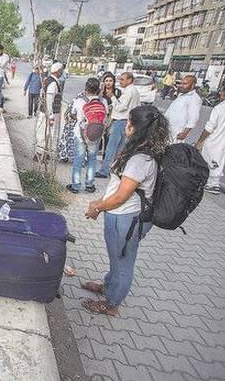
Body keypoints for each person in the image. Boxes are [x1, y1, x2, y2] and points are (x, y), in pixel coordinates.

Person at [81, 105, 171, 316]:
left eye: (129, 122)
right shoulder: (140, 150)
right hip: (121, 216)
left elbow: (122, 196)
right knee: (116, 257)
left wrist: (98, 207)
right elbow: (118, 188)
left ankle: (111, 304)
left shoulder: (141, 159)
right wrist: (101, 203)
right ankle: (108, 287)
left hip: (127, 220)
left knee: (123, 262)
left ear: (135, 127)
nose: (125, 126)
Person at [195, 84, 225, 194]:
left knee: (210, 160)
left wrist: (200, 140)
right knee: (220, 159)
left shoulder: (220, 108)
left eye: (221, 92)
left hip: (214, 139)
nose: (220, 93)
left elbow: (209, 127)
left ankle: (212, 184)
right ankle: (212, 183)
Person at [66, 78, 107, 194]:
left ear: (86, 88)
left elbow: (73, 114)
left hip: (80, 135)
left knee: (78, 159)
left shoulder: (79, 101)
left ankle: (76, 186)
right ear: (98, 89)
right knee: (92, 160)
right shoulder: (102, 102)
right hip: (95, 135)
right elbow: (105, 117)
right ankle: (89, 185)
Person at [96, 72, 141, 178]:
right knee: (119, 149)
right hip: (126, 122)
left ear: (129, 80)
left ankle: (104, 171)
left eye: (122, 79)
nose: (120, 81)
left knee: (111, 148)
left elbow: (121, 107)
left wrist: (112, 97)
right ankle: (115, 170)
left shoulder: (129, 91)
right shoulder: (131, 91)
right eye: (120, 79)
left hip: (121, 121)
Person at [164, 75, 202, 143]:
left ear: (193, 85)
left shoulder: (194, 98)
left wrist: (185, 133)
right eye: (181, 83)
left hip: (177, 133)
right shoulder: (182, 95)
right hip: (169, 130)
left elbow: (194, 117)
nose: (181, 85)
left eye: (185, 84)